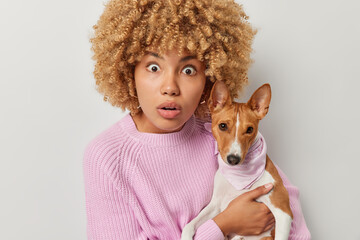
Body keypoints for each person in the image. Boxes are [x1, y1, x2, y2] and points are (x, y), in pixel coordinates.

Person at [83, 0, 311, 239]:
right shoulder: (107, 158)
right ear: (128, 70)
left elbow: (294, 223)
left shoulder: (222, 134)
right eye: (153, 67)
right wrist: (222, 226)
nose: (170, 87)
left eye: (188, 70)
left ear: (209, 80)